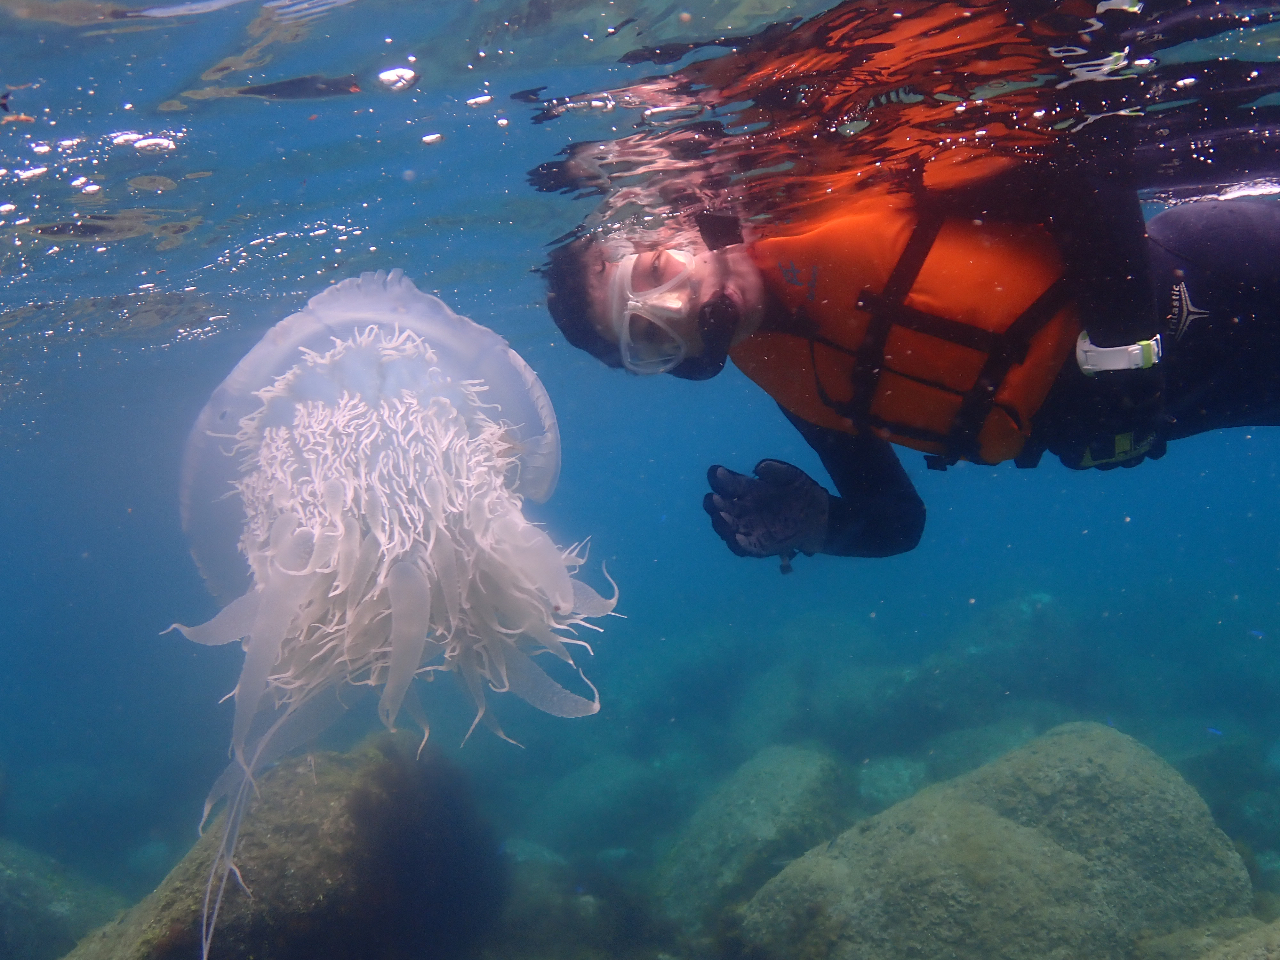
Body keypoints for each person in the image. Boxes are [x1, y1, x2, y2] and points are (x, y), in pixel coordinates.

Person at [535, 0, 1280, 572]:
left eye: (656, 272)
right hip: (1211, 399)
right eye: (651, 339)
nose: (676, 307)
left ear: (687, 233)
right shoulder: (798, 384)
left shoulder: (867, 197)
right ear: (681, 365)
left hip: (1229, 276)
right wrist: (821, 528)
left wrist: (1125, 360)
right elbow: (896, 521)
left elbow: (1090, 169)